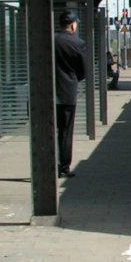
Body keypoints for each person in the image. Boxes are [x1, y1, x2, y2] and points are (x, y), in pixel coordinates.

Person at [54, 9, 87, 178]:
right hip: (67, 93)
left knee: (50, 129)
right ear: (73, 25)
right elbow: (83, 70)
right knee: (66, 132)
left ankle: (48, 164)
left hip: (49, 93)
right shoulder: (78, 43)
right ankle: (64, 167)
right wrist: (74, 79)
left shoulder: (52, 40)